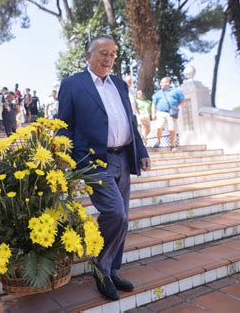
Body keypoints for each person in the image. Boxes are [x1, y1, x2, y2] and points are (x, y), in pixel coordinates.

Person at [58, 35, 150, 301]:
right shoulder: (73, 84)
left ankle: (112, 269)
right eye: (102, 53)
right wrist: (73, 158)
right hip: (94, 160)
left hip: (122, 157)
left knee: (124, 217)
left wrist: (141, 151)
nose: (108, 59)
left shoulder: (120, 85)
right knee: (115, 213)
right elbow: (64, 124)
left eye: (112, 54)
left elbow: (130, 120)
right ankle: (100, 268)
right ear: (89, 55)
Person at [152, 76, 185, 151]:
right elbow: (154, 104)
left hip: (171, 113)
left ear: (168, 83)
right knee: (159, 127)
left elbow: (182, 100)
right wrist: (153, 113)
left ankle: (173, 145)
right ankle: (158, 141)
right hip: (160, 112)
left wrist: (175, 107)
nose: (160, 83)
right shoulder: (158, 93)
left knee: (172, 128)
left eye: (162, 82)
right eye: (160, 82)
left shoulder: (176, 91)